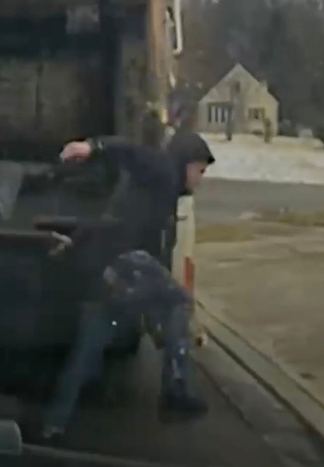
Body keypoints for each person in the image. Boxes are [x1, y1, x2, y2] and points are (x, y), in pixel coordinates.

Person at [41, 131, 215, 441]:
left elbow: (108, 222)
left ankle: (53, 423)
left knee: (87, 349)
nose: (200, 180)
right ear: (186, 162)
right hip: (127, 264)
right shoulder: (163, 169)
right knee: (179, 301)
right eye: (200, 170)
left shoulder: (152, 194)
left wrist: (74, 243)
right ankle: (175, 392)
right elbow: (131, 151)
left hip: (110, 272)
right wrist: (91, 147)